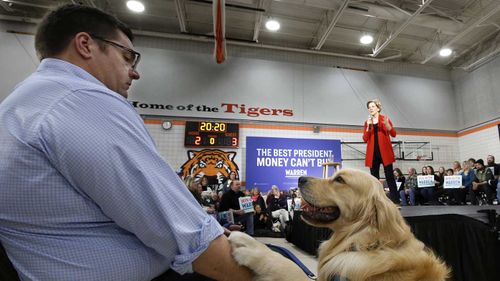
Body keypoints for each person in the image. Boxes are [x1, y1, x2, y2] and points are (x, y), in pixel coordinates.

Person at [0, 5, 252, 281]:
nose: (134, 72)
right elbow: (193, 241)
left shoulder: (20, 103)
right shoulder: (83, 99)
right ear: (85, 45)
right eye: (127, 57)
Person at [362, 99, 398, 203]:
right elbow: (365, 138)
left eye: (372, 106)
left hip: (385, 152)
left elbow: (394, 134)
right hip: (372, 154)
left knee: (389, 176)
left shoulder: (384, 119)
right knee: (374, 179)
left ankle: (395, 200)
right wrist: (369, 126)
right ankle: (376, 201)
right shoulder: (367, 122)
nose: (370, 109)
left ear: (378, 108)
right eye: (369, 107)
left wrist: (387, 125)